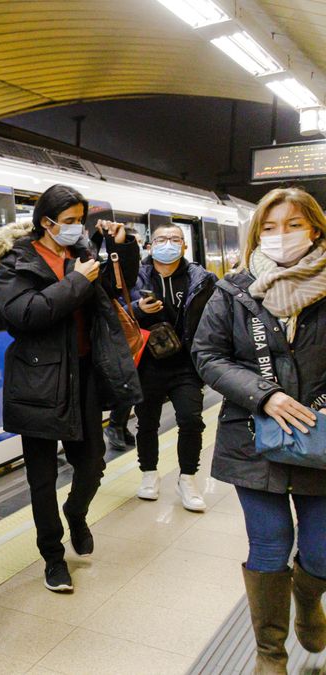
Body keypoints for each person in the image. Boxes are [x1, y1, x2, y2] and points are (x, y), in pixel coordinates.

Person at [193, 187, 326, 674]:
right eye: (269, 227)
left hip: (323, 436)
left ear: (315, 228)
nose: (280, 237)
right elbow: (207, 356)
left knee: (320, 551)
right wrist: (263, 393)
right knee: (268, 544)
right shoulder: (233, 290)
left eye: (293, 225)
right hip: (254, 439)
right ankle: (269, 652)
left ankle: (308, 599)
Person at [0, 183, 141, 593]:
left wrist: (119, 249)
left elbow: (116, 290)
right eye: (69, 222)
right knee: (41, 477)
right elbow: (25, 315)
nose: (76, 229)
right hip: (37, 380)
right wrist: (76, 282)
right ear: (46, 223)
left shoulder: (84, 255)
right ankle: (53, 557)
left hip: (84, 374)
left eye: (81, 221)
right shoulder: (15, 263)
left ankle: (76, 511)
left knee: (92, 463)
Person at [129, 223, 216, 510]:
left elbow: (214, 318)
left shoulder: (202, 279)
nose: (168, 244)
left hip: (186, 364)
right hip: (147, 363)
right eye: (161, 239)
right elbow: (116, 310)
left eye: (175, 239)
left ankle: (187, 479)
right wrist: (139, 310)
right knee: (147, 422)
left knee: (191, 419)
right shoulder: (135, 276)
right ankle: (149, 474)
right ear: (150, 246)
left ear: (184, 246)